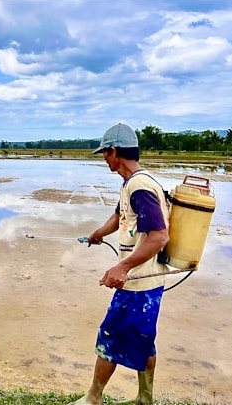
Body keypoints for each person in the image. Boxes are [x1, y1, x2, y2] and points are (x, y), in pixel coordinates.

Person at [70, 123, 170, 405]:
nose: (104, 159)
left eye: (104, 153)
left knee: (110, 334)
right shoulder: (132, 183)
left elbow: (159, 235)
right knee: (143, 338)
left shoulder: (140, 186)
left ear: (114, 151)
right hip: (148, 281)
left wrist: (122, 267)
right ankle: (145, 399)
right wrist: (97, 235)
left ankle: (93, 397)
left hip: (138, 283)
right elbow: (119, 216)